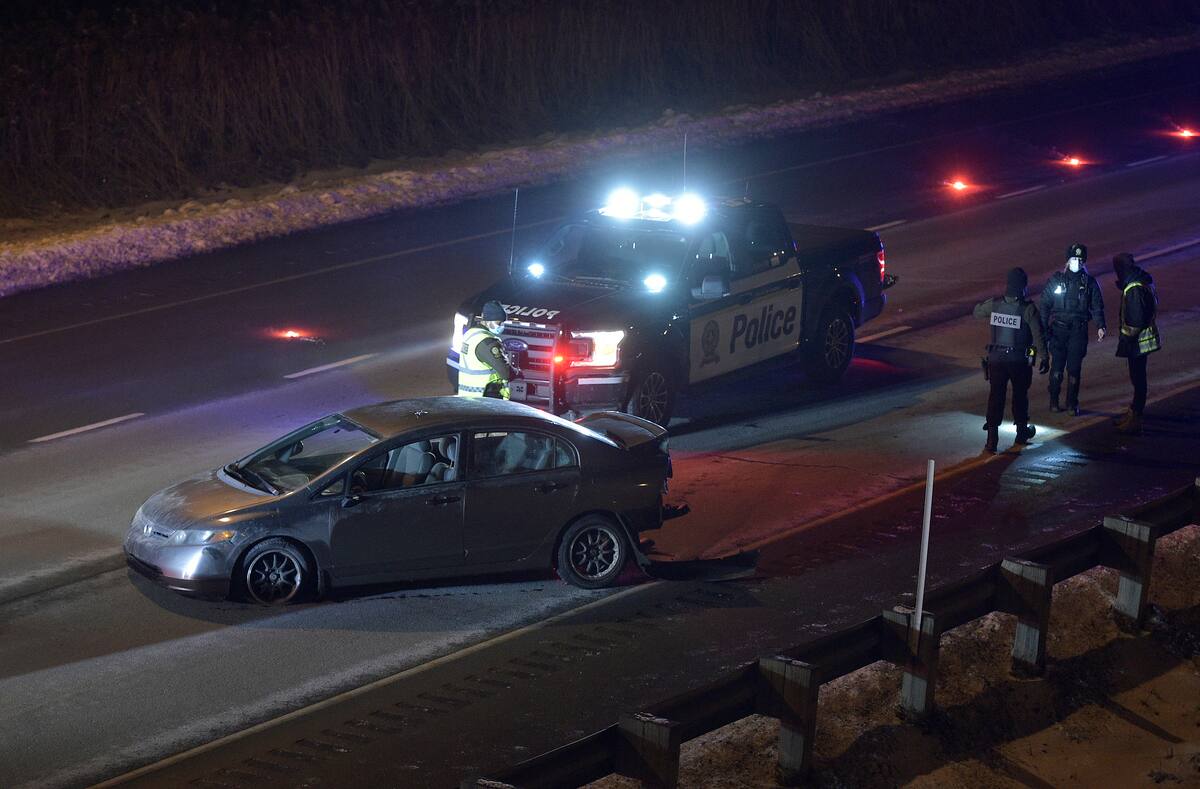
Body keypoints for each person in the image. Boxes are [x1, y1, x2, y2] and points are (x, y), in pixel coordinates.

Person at [974, 268, 1049, 453]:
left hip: (997, 360)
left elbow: (976, 312)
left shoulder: (995, 305)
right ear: (1023, 287)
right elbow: (1038, 335)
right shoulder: (1028, 309)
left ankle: (992, 440)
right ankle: (1021, 433)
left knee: (996, 397)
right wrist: (1044, 357)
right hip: (1018, 361)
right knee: (1020, 396)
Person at [1039, 243, 1106, 415]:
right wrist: (1043, 327)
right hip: (1059, 331)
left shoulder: (1089, 283)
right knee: (1057, 369)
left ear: (1084, 262)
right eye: (1074, 258)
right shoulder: (1056, 280)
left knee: (1074, 369)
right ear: (1067, 260)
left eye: (1080, 259)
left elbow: (1097, 306)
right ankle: (1053, 401)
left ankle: (1071, 404)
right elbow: (1045, 305)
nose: (1077, 262)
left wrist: (1101, 326)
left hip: (1078, 331)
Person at [1112, 253, 1160, 434]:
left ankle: (1136, 418)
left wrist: (1125, 338)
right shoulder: (1141, 280)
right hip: (1142, 341)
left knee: (1138, 379)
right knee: (1138, 379)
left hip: (1137, 343)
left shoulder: (1133, 288)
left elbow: (1135, 321)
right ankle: (1134, 413)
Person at [457, 300, 519, 399]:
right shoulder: (487, 342)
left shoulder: (471, 333)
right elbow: (506, 373)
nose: (501, 326)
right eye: (498, 323)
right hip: (485, 398)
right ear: (487, 320)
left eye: (503, 323)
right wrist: (517, 372)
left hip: (468, 397)